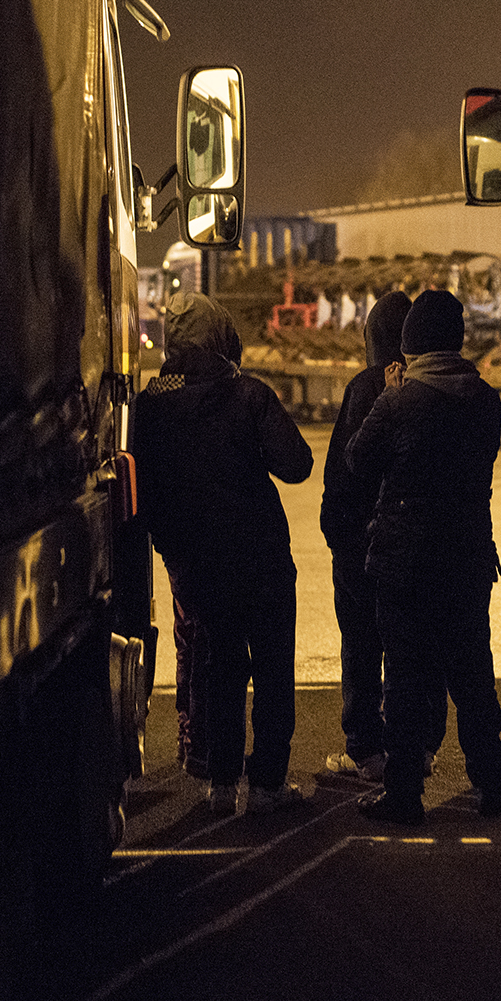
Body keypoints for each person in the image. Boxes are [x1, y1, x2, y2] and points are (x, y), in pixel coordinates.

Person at [130, 293, 313, 815]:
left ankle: (221, 783)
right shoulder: (248, 394)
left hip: (201, 566)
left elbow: (144, 493)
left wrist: (174, 547)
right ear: (222, 340)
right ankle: (268, 786)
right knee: (273, 670)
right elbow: (297, 464)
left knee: (221, 667)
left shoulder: (150, 406)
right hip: (263, 559)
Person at [346, 289, 501, 825]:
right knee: (472, 674)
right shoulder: (486, 400)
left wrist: (387, 394)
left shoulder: (399, 400)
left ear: (412, 342)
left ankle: (404, 795)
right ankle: (491, 782)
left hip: (405, 564)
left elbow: (357, 460)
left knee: (406, 682)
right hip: (466, 558)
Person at [320, 290, 440, 784]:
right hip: (415, 541)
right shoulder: (433, 387)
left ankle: (366, 748)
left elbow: (345, 469)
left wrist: (337, 532)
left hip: (362, 543)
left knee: (362, 645)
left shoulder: (367, 387)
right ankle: (421, 747)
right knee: (414, 646)